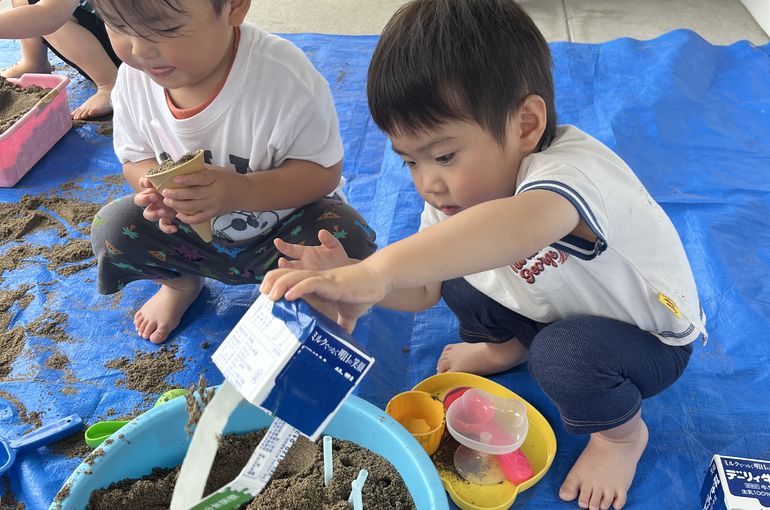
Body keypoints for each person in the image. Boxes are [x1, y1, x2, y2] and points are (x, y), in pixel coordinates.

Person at [260, 1, 706, 509]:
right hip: (554, 307)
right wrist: (359, 283)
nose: (428, 183)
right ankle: (506, 344)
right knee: (447, 264)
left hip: (644, 342)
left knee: (560, 354)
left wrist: (378, 270)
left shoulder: (571, 174)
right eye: (410, 162)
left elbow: (519, 227)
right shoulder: (455, 199)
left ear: (526, 125)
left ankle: (620, 437)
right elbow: (424, 287)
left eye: (444, 156)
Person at [88, 0, 376, 345]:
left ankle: (304, 299)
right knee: (114, 227)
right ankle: (179, 283)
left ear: (234, 6)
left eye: (164, 29)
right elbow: (135, 159)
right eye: (119, 26)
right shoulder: (134, 81)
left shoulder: (285, 79)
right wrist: (156, 190)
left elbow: (322, 172)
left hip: (281, 237)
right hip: (191, 238)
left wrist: (242, 191)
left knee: (346, 238)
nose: (139, 50)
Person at [0, 0, 120, 119]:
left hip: (124, 46)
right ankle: (33, 62)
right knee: (26, 3)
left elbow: (49, 15)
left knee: (44, 17)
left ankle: (110, 83)